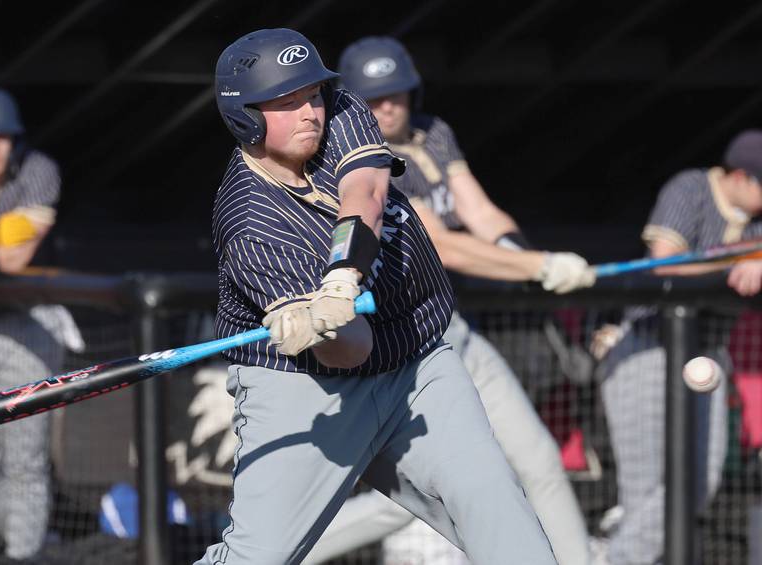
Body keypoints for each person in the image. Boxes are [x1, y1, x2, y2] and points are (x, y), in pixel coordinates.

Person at [195, 28, 556, 565]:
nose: (309, 112)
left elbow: (364, 191)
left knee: (493, 500)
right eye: (286, 103)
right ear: (244, 115)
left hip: (416, 361)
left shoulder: (342, 110)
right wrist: (321, 325)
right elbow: (350, 351)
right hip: (308, 392)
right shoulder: (249, 223)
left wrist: (341, 280)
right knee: (260, 556)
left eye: (310, 95)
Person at [302, 36, 594, 565]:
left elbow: (479, 213)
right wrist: (540, 268)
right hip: (399, 346)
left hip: (453, 331)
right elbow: (441, 242)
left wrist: (523, 252)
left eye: (395, 93)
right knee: (415, 497)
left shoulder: (434, 134)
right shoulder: (357, 159)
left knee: (540, 462)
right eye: (373, 97)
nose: (386, 106)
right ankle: (265, 555)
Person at [593, 129, 762, 565]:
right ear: (743, 177)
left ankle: (610, 554)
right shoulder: (692, 187)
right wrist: (738, 262)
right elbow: (664, 260)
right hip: (648, 347)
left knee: (699, 483)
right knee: (648, 488)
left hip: (706, 354)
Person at [0, 86, 73, 563]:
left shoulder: (36, 170)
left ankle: (23, 556)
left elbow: (12, 258)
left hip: (30, 329)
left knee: (24, 463)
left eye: (3, 137)